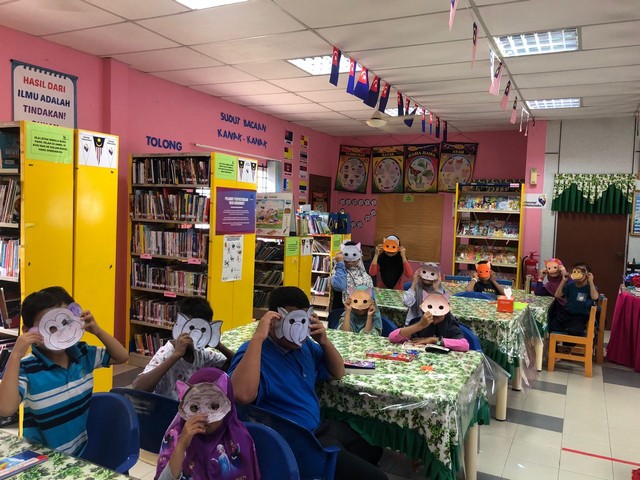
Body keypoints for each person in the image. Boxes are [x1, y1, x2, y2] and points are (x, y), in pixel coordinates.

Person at [229, 286, 388, 480]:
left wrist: (324, 340)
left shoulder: (305, 347)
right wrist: (258, 338)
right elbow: (241, 394)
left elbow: (337, 371)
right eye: (292, 322)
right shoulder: (254, 352)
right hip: (296, 442)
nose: (299, 331)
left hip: (318, 427)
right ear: (273, 320)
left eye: (304, 321)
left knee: (373, 450)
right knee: (377, 478)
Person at [0, 287, 129, 455]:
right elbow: (5, 409)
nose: (60, 333)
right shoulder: (27, 368)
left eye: (66, 323)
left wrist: (97, 331)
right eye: (51, 328)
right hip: (41, 457)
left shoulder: (83, 354)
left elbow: (121, 356)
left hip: (79, 453)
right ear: (28, 332)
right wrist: (16, 355)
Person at [155, 368, 260, 480]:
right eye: (195, 408)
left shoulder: (239, 440)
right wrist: (181, 447)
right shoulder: (176, 435)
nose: (205, 418)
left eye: (214, 407)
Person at [133, 297, 234, 400]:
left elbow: (235, 362)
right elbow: (138, 387)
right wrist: (176, 355)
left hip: (192, 406)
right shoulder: (166, 353)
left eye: (204, 330)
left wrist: (218, 345)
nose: (196, 334)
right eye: (191, 327)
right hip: (168, 407)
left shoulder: (200, 353)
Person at [389, 293, 469, 351]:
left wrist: (434, 340)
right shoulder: (422, 322)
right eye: (430, 308)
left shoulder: (449, 324)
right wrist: (419, 325)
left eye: (440, 309)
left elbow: (464, 345)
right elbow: (392, 337)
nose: (434, 314)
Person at [550, 262, 599, 335]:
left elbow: (595, 297)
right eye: (575, 271)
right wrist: (563, 281)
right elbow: (557, 295)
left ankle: (569, 339)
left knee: (574, 331)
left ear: (587, 274)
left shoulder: (590, 287)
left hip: (581, 316)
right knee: (553, 326)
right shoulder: (570, 285)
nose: (578, 274)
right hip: (567, 313)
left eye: (581, 271)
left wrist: (591, 282)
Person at [329, 241, 373, 311]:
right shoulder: (337, 271)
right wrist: (340, 264)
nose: (350, 259)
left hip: (361, 311)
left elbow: (370, 295)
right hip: (341, 310)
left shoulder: (364, 274)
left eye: (354, 254)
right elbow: (340, 286)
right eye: (346, 254)